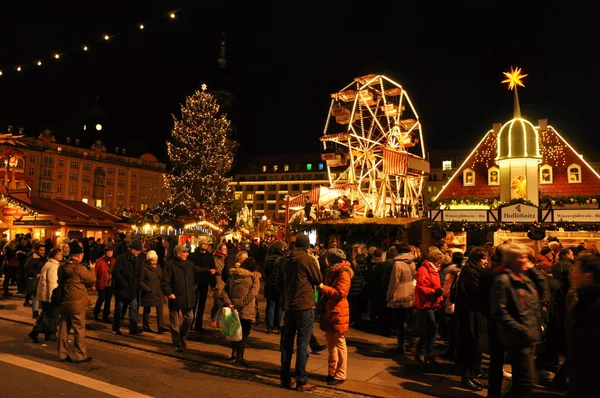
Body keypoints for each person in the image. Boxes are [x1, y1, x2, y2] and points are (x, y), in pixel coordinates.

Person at [490, 243, 542, 398]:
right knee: (525, 383)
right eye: (522, 257)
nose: (526, 260)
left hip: (529, 336)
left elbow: (541, 284)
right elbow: (499, 311)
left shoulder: (525, 278)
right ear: (512, 260)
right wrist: (522, 329)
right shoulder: (503, 280)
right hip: (518, 338)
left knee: (525, 383)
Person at [278, 233, 322, 392]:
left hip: (289, 306)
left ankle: (284, 377)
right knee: (303, 345)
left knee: (287, 343)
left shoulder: (285, 259)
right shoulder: (307, 260)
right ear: (307, 246)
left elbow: (279, 282)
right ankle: (301, 380)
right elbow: (318, 279)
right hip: (304, 305)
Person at [161, 244, 215, 352]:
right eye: (185, 252)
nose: (187, 254)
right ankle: (177, 342)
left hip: (187, 296)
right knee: (174, 323)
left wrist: (208, 271)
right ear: (178, 254)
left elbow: (197, 269)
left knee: (189, 317)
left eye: (187, 252)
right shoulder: (170, 265)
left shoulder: (189, 264)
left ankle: (182, 336)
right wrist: (169, 293)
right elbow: (165, 281)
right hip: (175, 297)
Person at [317, 248, 352, 385]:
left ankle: (340, 374)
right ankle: (332, 372)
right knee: (331, 344)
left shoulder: (343, 273)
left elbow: (340, 292)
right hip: (330, 310)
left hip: (338, 311)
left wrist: (323, 288)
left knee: (339, 343)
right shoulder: (332, 271)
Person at [57, 243, 96, 363]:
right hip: (77, 302)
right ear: (79, 255)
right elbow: (92, 280)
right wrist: (92, 268)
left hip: (64, 301)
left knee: (63, 328)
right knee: (79, 329)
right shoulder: (80, 268)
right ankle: (80, 355)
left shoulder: (62, 266)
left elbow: (59, 280)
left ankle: (62, 354)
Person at [223, 257, 261, 366]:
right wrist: (241, 305)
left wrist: (229, 303)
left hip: (232, 308)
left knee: (234, 332)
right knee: (244, 334)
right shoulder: (254, 278)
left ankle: (233, 354)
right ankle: (239, 358)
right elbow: (252, 294)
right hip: (246, 310)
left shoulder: (233, 276)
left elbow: (225, 291)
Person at [413, 249, 445, 363]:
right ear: (433, 260)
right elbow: (420, 287)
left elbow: (437, 287)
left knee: (431, 330)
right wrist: (434, 292)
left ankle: (427, 352)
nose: (440, 264)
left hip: (432, 303)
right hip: (425, 304)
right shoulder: (424, 270)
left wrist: (439, 298)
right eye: (438, 261)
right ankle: (422, 352)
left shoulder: (434, 270)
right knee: (430, 330)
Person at [386, 242, 416, 354]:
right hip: (410, 292)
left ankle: (401, 345)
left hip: (400, 293)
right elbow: (413, 277)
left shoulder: (397, 264)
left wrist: (389, 295)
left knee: (399, 320)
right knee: (408, 319)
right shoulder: (412, 262)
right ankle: (410, 342)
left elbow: (394, 281)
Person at [28, 248, 63, 343]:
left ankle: (46, 334)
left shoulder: (49, 264)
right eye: (59, 254)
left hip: (46, 295)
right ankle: (41, 333)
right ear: (54, 255)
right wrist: (53, 297)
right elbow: (52, 283)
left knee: (47, 315)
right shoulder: (53, 266)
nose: (61, 255)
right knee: (51, 316)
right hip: (50, 296)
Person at [112, 240, 143, 335]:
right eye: (137, 250)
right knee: (119, 308)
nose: (139, 252)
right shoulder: (122, 258)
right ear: (131, 249)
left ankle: (133, 328)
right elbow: (115, 272)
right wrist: (124, 284)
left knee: (133, 307)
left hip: (132, 288)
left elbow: (137, 272)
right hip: (122, 288)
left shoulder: (137, 259)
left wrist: (137, 284)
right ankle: (116, 327)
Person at [139, 250, 167, 333]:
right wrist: (147, 288)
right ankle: (146, 325)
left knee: (160, 309)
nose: (154, 262)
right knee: (147, 309)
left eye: (155, 260)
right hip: (149, 292)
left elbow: (161, 278)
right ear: (148, 260)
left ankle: (161, 326)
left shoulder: (158, 267)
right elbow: (140, 280)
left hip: (158, 291)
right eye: (152, 260)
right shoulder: (144, 268)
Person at [92, 246, 115, 322]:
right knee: (101, 298)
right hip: (101, 283)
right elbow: (95, 273)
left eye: (111, 251)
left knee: (108, 300)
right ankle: (96, 313)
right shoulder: (99, 261)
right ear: (105, 252)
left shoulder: (114, 261)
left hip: (110, 283)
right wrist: (94, 284)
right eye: (108, 251)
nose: (110, 253)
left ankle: (106, 316)